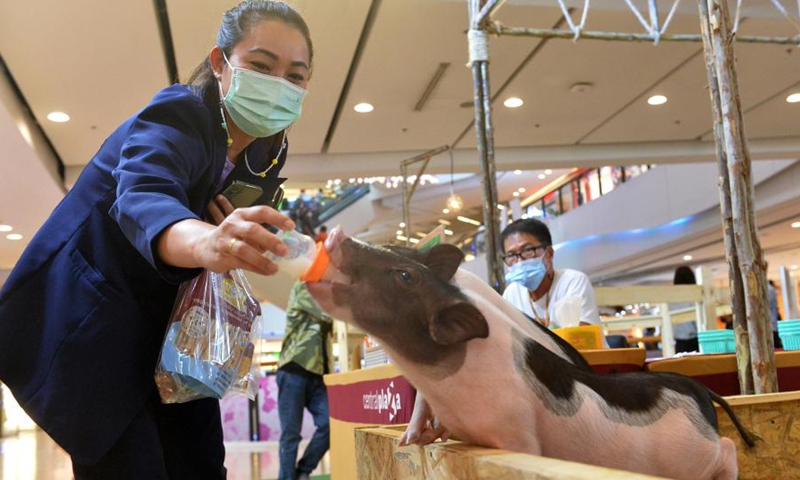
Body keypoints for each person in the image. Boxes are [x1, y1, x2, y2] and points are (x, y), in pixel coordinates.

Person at [0, 2, 313, 478]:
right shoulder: (180, 113)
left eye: (296, 75)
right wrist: (210, 243)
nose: (279, 86)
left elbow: (247, 232)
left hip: (178, 341)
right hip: (96, 324)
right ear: (220, 62)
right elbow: (146, 197)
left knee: (202, 464)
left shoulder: (268, 154)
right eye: (262, 66)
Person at [501, 218, 602, 330]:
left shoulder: (572, 282)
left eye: (527, 250)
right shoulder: (512, 294)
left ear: (549, 253)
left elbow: (582, 338)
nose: (519, 261)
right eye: (511, 255)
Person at [277, 281, 333, 480]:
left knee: (330, 423)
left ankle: (303, 471)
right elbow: (327, 312)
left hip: (319, 375)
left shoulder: (330, 299)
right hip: (294, 369)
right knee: (291, 434)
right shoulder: (303, 288)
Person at [672, 266, 699, 353]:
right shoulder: (694, 295)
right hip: (695, 340)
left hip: (679, 342)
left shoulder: (671, 297)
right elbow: (697, 321)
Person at [768, 279, 783, 349]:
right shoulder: (771, 289)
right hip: (773, 316)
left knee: (775, 336)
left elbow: (769, 305)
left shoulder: (769, 289)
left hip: (772, 316)